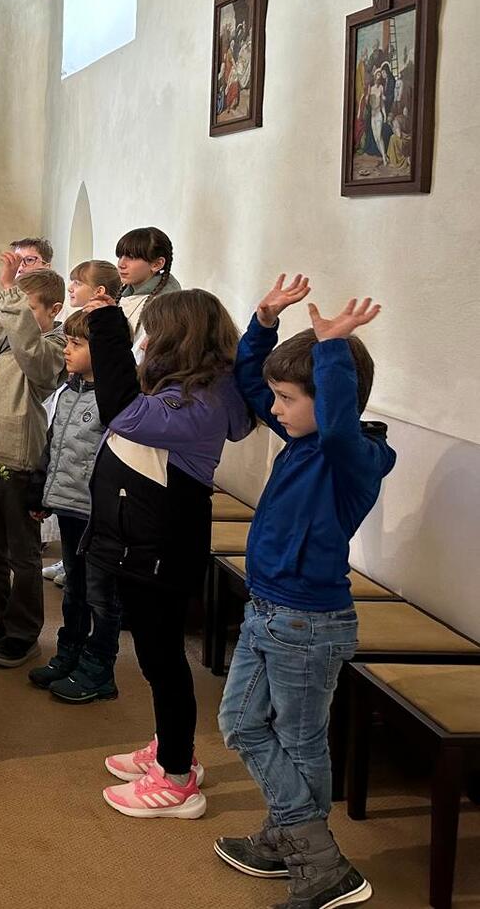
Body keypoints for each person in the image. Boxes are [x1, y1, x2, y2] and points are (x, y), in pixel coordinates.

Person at [215, 277, 391, 908]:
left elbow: (339, 426)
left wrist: (334, 349)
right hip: (266, 611)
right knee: (240, 724)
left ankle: (320, 864)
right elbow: (252, 383)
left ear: (332, 400)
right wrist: (262, 323)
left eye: (289, 399)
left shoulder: (353, 457)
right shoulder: (301, 438)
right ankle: (288, 837)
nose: (277, 409)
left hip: (309, 623)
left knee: (299, 741)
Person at [83, 290, 253, 819]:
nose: (144, 343)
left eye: (150, 333)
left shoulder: (199, 403)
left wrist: (106, 326)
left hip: (160, 547)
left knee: (163, 659)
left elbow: (121, 411)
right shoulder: (186, 391)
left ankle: (177, 777)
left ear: (178, 340)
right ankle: (170, 746)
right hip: (145, 543)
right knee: (157, 657)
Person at [0, 257, 66, 669]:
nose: (17, 312)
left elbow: (33, 357)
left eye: (28, 306)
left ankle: (23, 632)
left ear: (54, 310)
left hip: (19, 460)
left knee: (23, 554)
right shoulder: (10, 328)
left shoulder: (54, 345)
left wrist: (11, 294)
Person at [26, 308, 121, 704]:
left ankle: (99, 669)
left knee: (102, 596)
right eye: (67, 341)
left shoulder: (113, 401)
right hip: (68, 506)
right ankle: (70, 654)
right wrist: (40, 492)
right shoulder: (68, 392)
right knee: (75, 590)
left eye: (76, 344)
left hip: (97, 513)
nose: (66, 350)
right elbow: (54, 445)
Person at [115, 226, 180, 333]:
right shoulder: (124, 295)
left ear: (156, 264)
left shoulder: (165, 308)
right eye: (120, 256)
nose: (121, 264)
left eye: (131, 257)